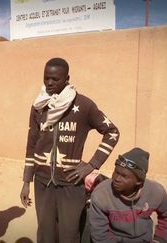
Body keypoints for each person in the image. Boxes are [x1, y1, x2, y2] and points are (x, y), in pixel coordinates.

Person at [20, 57, 120, 243]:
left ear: (67, 78)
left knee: (69, 233)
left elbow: (112, 132)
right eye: (46, 78)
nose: (49, 83)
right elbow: (31, 145)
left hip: (71, 183)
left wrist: (92, 164)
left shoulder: (83, 105)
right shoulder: (39, 106)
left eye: (55, 79)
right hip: (42, 182)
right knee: (45, 232)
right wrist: (27, 181)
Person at [90, 147, 167, 243]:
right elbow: (99, 234)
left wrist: (159, 240)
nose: (117, 178)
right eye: (116, 172)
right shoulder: (101, 194)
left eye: (124, 176)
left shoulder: (155, 192)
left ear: (139, 181)